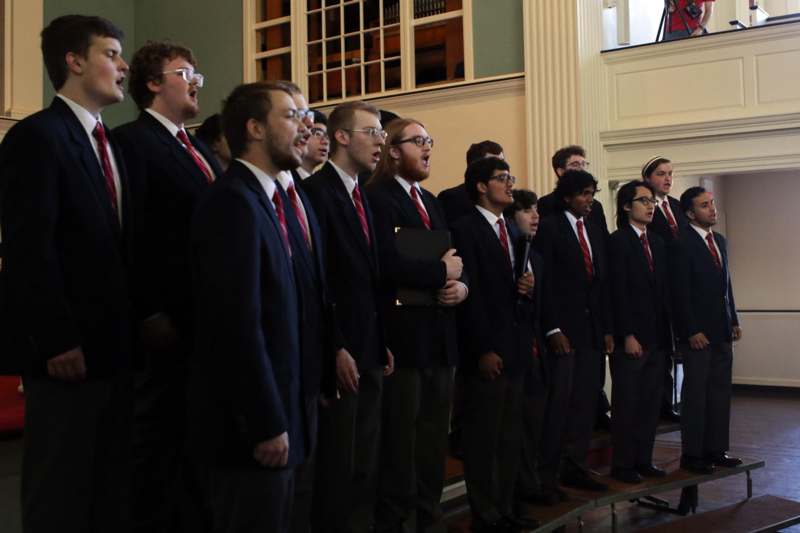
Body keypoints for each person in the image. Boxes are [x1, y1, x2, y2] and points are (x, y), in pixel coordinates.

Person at [0, 14, 133, 533]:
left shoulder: (111, 144)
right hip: (67, 354)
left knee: (108, 490)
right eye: (110, 54)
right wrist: (56, 339)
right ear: (74, 61)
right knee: (59, 492)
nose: (122, 66)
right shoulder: (37, 137)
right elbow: (31, 249)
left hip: (115, 349)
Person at [188, 81, 308, 532]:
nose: (305, 126)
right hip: (250, 431)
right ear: (255, 128)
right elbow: (236, 325)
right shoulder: (232, 203)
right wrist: (265, 421)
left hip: (284, 416)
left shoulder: (268, 199)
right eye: (292, 116)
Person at [114, 40, 222, 533]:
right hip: (165, 323)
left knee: (194, 448)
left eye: (197, 75)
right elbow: (132, 234)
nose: (196, 83)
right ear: (153, 83)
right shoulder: (131, 142)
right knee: (156, 453)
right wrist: (149, 310)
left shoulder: (196, 146)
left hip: (203, 322)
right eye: (185, 73)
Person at [367, 118, 467, 533]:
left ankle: (429, 517)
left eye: (430, 140)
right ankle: (401, 522)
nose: (428, 148)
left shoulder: (430, 200)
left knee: (431, 445)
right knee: (400, 446)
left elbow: (454, 259)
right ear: (392, 150)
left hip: (439, 338)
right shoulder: (378, 197)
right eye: (418, 141)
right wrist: (439, 274)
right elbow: (387, 264)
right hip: (404, 341)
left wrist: (460, 287)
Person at [301, 101, 394, 533]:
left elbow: (371, 278)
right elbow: (320, 280)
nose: (381, 142)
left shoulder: (364, 197)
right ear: (341, 136)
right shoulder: (315, 194)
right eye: (372, 133)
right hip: (339, 350)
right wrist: (335, 345)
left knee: (367, 461)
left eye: (382, 134)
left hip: (371, 345)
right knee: (339, 462)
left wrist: (382, 340)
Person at [452, 157, 540, 532]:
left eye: (510, 177)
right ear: (481, 186)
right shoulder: (464, 229)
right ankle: (485, 515)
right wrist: (481, 349)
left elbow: (512, 288)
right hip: (485, 351)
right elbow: (470, 297)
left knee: (509, 438)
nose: (509, 184)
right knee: (483, 440)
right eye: (501, 178)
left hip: (515, 347)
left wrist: (527, 288)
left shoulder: (513, 231)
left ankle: (505, 507)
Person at [272, 80, 335, 533]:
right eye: (296, 115)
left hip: (311, 363)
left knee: (308, 486)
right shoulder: (244, 198)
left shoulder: (300, 195)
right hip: (276, 376)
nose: (310, 127)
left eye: (309, 116)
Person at [537, 170, 613, 496]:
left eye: (592, 193)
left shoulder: (595, 229)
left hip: (592, 333)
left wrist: (607, 329)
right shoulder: (550, 228)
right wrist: (552, 328)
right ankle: (546, 477)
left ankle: (576, 468)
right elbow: (545, 282)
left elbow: (602, 285)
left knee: (584, 405)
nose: (589, 199)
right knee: (559, 408)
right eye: (583, 193)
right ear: (567, 196)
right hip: (562, 332)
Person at [672, 186, 742, 475]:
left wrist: (734, 319)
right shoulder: (681, 243)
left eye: (712, 203)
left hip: (722, 329)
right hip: (698, 334)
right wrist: (690, 330)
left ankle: (716, 449)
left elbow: (726, 285)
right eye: (704, 205)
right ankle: (693, 455)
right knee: (696, 395)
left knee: (720, 393)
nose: (712, 209)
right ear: (690, 213)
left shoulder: (720, 241)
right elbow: (679, 293)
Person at [608, 181, 672, 484]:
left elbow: (662, 294)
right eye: (643, 200)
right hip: (632, 338)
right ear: (625, 206)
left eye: (652, 202)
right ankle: (622, 465)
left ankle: (643, 460)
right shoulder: (618, 241)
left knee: (649, 404)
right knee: (627, 405)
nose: (650, 206)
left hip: (657, 337)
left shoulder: (658, 243)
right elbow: (617, 292)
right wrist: (627, 335)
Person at [504, 190, 549, 505]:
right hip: (508, 352)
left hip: (536, 353)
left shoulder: (538, 258)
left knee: (535, 426)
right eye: (526, 211)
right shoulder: (503, 252)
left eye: (536, 210)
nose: (535, 216)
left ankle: (531, 484)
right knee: (511, 430)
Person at [641, 156, 688, 422]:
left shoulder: (678, 206)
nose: (668, 178)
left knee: (673, 351)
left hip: (678, 284)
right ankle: (657, 404)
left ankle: (670, 403)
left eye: (670, 173)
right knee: (659, 350)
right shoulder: (644, 207)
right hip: (657, 284)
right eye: (661, 173)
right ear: (648, 178)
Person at [437, 140, 505, 227]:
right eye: (494, 163)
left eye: (502, 162)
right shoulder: (451, 198)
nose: (502, 168)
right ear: (475, 167)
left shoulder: (506, 199)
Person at [294, 110, 328, 180]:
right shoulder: (287, 181)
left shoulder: (319, 184)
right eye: (318, 134)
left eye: (327, 137)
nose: (325, 142)